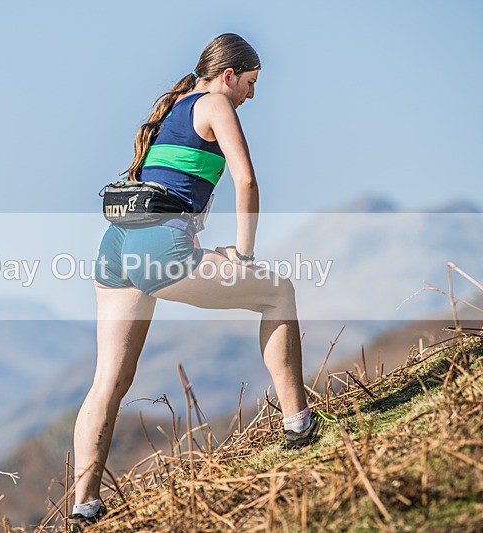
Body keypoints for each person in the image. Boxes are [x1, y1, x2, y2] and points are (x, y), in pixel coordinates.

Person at [69, 33, 320, 529]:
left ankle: (84, 507)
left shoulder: (172, 106)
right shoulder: (215, 104)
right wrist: (243, 254)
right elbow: (246, 181)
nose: (251, 94)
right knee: (278, 292)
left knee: (108, 383)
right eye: (250, 83)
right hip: (159, 246)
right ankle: (300, 427)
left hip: (115, 247)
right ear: (229, 76)